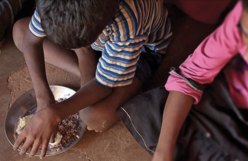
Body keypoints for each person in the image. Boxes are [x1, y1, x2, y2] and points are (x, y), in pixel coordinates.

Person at [116, 0, 248, 160]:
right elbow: (191, 74)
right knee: (151, 112)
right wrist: (164, 151)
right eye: (245, 35)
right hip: (234, 95)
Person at [12, 0, 172, 158]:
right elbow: (30, 41)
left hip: (141, 52)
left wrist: (54, 114)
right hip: (93, 38)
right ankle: (86, 55)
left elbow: (104, 85)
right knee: (20, 31)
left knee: (95, 117)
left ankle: (93, 61)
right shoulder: (54, 4)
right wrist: (43, 100)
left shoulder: (129, 19)